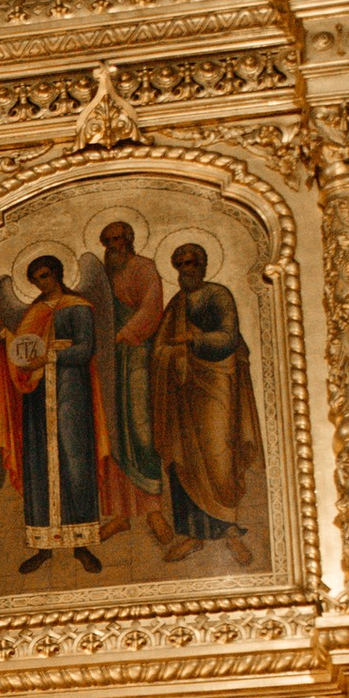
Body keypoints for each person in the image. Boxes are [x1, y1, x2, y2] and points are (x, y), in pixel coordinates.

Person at [149, 241, 262, 564]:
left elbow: (228, 337)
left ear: (203, 265)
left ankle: (229, 532)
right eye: (181, 264)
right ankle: (192, 535)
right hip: (182, 392)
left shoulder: (218, 295)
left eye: (192, 262)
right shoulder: (176, 305)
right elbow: (160, 348)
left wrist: (193, 339)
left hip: (216, 384)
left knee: (219, 455)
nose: (187, 269)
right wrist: (170, 354)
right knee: (183, 460)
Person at [0, 254, 106, 569]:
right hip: (38, 397)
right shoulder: (36, 312)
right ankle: (43, 546)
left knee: (75, 461)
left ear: (56, 274)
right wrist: (6, 336)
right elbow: (25, 349)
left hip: (72, 393)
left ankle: (81, 544)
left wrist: (50, 359)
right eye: (35, 279)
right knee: (39, 464)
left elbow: (85, 348)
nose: (42, 283)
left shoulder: (78, 307)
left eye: (45, 276)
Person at [98, 218, 167, 543]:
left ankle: (154, 510)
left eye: (119, 239)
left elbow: (152, 304)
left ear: (130, 240)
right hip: (110, 359)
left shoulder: (144, 267)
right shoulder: (102, 274)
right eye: (109, 241)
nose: (115, 245)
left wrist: (127, 332)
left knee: (141, 427)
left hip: (137, 352)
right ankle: (120, 514)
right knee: (112, 430)